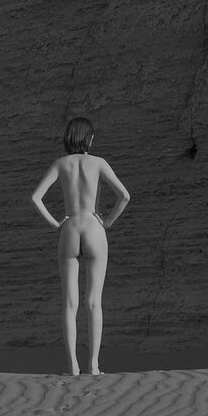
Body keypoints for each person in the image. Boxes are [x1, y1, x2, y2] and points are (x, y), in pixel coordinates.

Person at [29, 116, 130, 376]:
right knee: (94, 302)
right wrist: (108, 221)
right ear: (90, 138)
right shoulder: (99, 163)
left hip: (70, 228)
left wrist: (56, 224)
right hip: (94, 227)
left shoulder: (60, 164)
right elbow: (124, 196)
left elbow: (36, 197)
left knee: (69, 303)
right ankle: (94, 365)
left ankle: (72, 366)